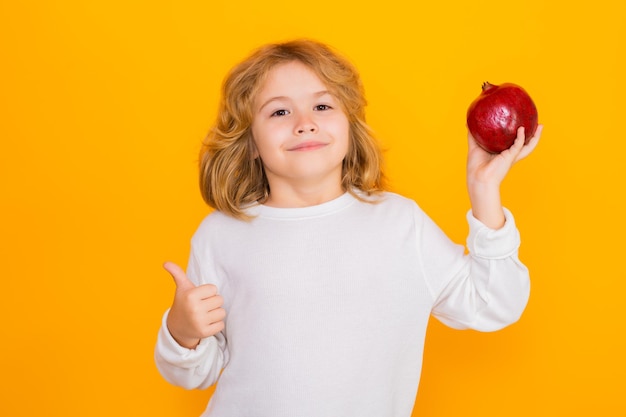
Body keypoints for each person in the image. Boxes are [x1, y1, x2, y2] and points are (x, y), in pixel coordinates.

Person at [155, 39, 542, 417]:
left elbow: (495, 305)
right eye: (279, 112)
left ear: (350, 127)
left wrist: (484, 190)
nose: (305, 124)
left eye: (322, 105)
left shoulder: (399, 224)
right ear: (251, 142)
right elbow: (194, 374)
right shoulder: (221, 234)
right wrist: (182, 331)